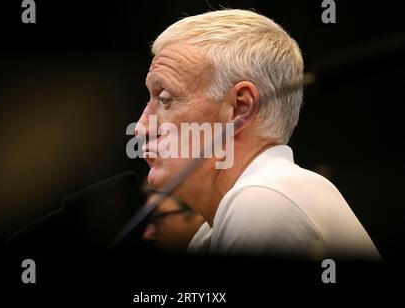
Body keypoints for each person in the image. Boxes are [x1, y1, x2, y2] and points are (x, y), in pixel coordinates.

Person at [135, 9, 381, 259]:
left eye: (165, 98)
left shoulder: (264, 199)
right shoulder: (215, 230)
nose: (141, 127)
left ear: (240, 107)